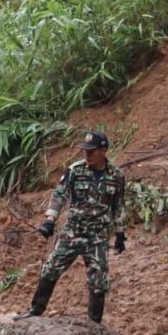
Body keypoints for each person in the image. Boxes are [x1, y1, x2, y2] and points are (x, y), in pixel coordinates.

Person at [17, 131, 127, 323]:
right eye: (85, 151)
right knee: (51, 268)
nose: (87, 154)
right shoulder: (75, 170)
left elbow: (118, 205)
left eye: (92, 151)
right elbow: (60, 195)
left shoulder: (116, 176)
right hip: (73, 232)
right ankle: (36, 310)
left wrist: (120, 234)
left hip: (98, 236)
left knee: (99, 280)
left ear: (103, 151)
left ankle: (94, 324)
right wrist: (50, 219)